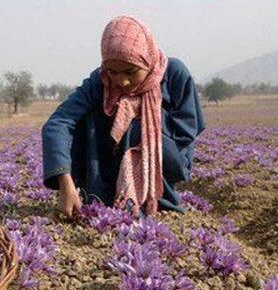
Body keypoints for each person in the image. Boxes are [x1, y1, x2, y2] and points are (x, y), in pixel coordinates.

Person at [42, 15, 205, 218]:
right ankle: (98, 192)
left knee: (134, 121)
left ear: (147, 59)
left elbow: (187, 130)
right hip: (111, 159)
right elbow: (58, 123)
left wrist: (138, 118)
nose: (122, 81)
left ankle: (152, 198)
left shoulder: (173, 73)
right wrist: (64, 180)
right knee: (87, 117)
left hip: (165, 158)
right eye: (112, 71)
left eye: (131, 71)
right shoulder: (100, 80)